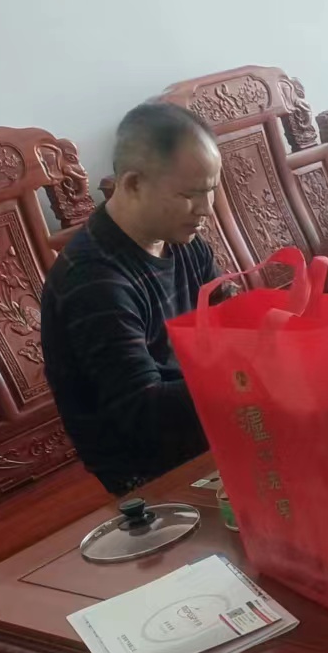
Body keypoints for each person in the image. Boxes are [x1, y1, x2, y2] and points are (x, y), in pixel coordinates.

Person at [42, 102, 225, 495]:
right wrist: (246, 378)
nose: (206, 209)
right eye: (189, 194)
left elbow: (231, 325)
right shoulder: (94, 281)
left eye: (210, 191)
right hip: (155, 473)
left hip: (213, 430)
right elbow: (145, 412)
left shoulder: (184, 242)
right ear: (133, 184)